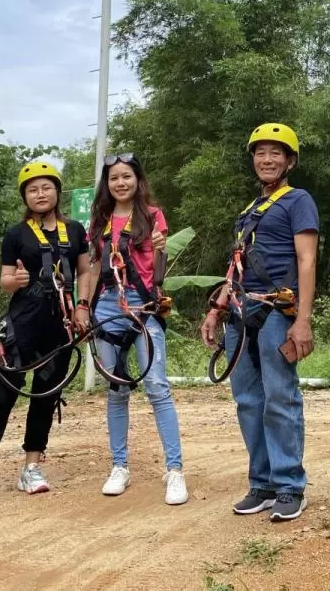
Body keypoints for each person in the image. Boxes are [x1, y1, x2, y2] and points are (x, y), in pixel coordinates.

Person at [200, 123, 319, 522]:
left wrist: (303, 319)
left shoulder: (297, 200)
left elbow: (307, 261)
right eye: (260, 153)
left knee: (280, 397)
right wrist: (217, 308)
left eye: (275, 153)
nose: (267, 160)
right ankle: (263, 483)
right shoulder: (249, 211)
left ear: (290, 161)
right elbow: (236, 268)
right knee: (248, 400)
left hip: (275, 313)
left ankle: (289, 485)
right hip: (239, 314)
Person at [0, 162, 91, 509]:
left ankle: (31, 466)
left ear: (57, 192)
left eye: (46, 187)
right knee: (1, 392)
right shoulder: (16, 233)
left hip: (60, 322)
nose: (40, 194)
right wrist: (14, 281)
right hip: (24, 320)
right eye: (32, 189)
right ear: (25, 196)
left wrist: (82, 306)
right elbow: (5, 279)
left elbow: (85, 270)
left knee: (46, 394)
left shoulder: (76, 230)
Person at [87, 152, 188, 506]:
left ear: (137, 180)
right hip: (106, 304)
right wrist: (84, 308)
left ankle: (174, 470)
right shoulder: (99, 220)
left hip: (142, 304)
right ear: (107, 183)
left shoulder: (152, 216)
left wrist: (160, 249)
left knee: (157, 386)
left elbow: (158, 265)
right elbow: (93, 266)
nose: (120, 183)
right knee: (116, 388)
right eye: (114, 177)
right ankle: (119, 466)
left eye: (126, 176)